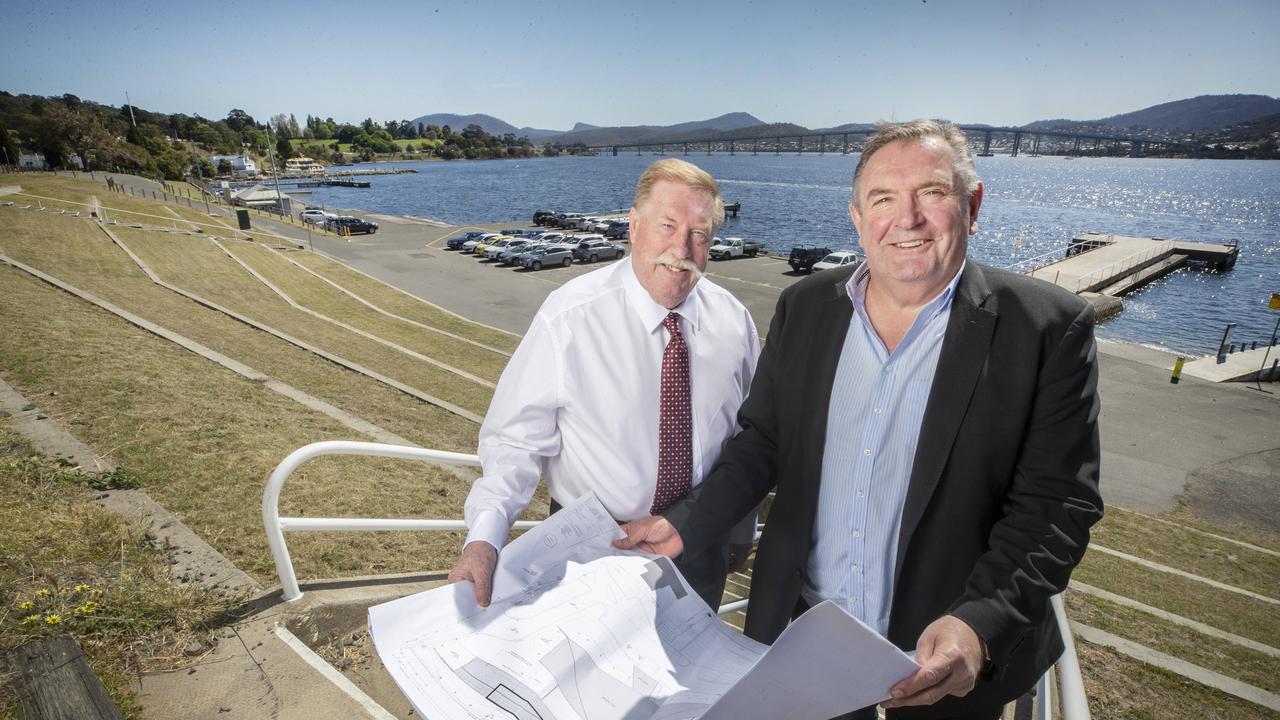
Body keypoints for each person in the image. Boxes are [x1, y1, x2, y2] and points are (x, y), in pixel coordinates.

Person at [616, 120, 1103, 719]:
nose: (907, 219)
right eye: (883, 199)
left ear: (972, 206)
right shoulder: (806, 308)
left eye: (931, 193)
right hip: (800, 642)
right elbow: (762, 444)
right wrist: (684, 522)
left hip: (935, 668)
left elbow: (1055, 509)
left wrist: (979, 625)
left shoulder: (1047, 330)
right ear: (856, 217)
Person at [449, 158, 760, 610]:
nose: (682, 249)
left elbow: (746, 438)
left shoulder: (734, 322)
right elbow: (514, 443)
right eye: (667, 226)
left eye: (699, 234)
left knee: (693, 677)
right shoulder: (569, 316)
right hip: (590, 551)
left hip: (696, 543)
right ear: (633, 226)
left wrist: (738, 530)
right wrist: (484, 540)